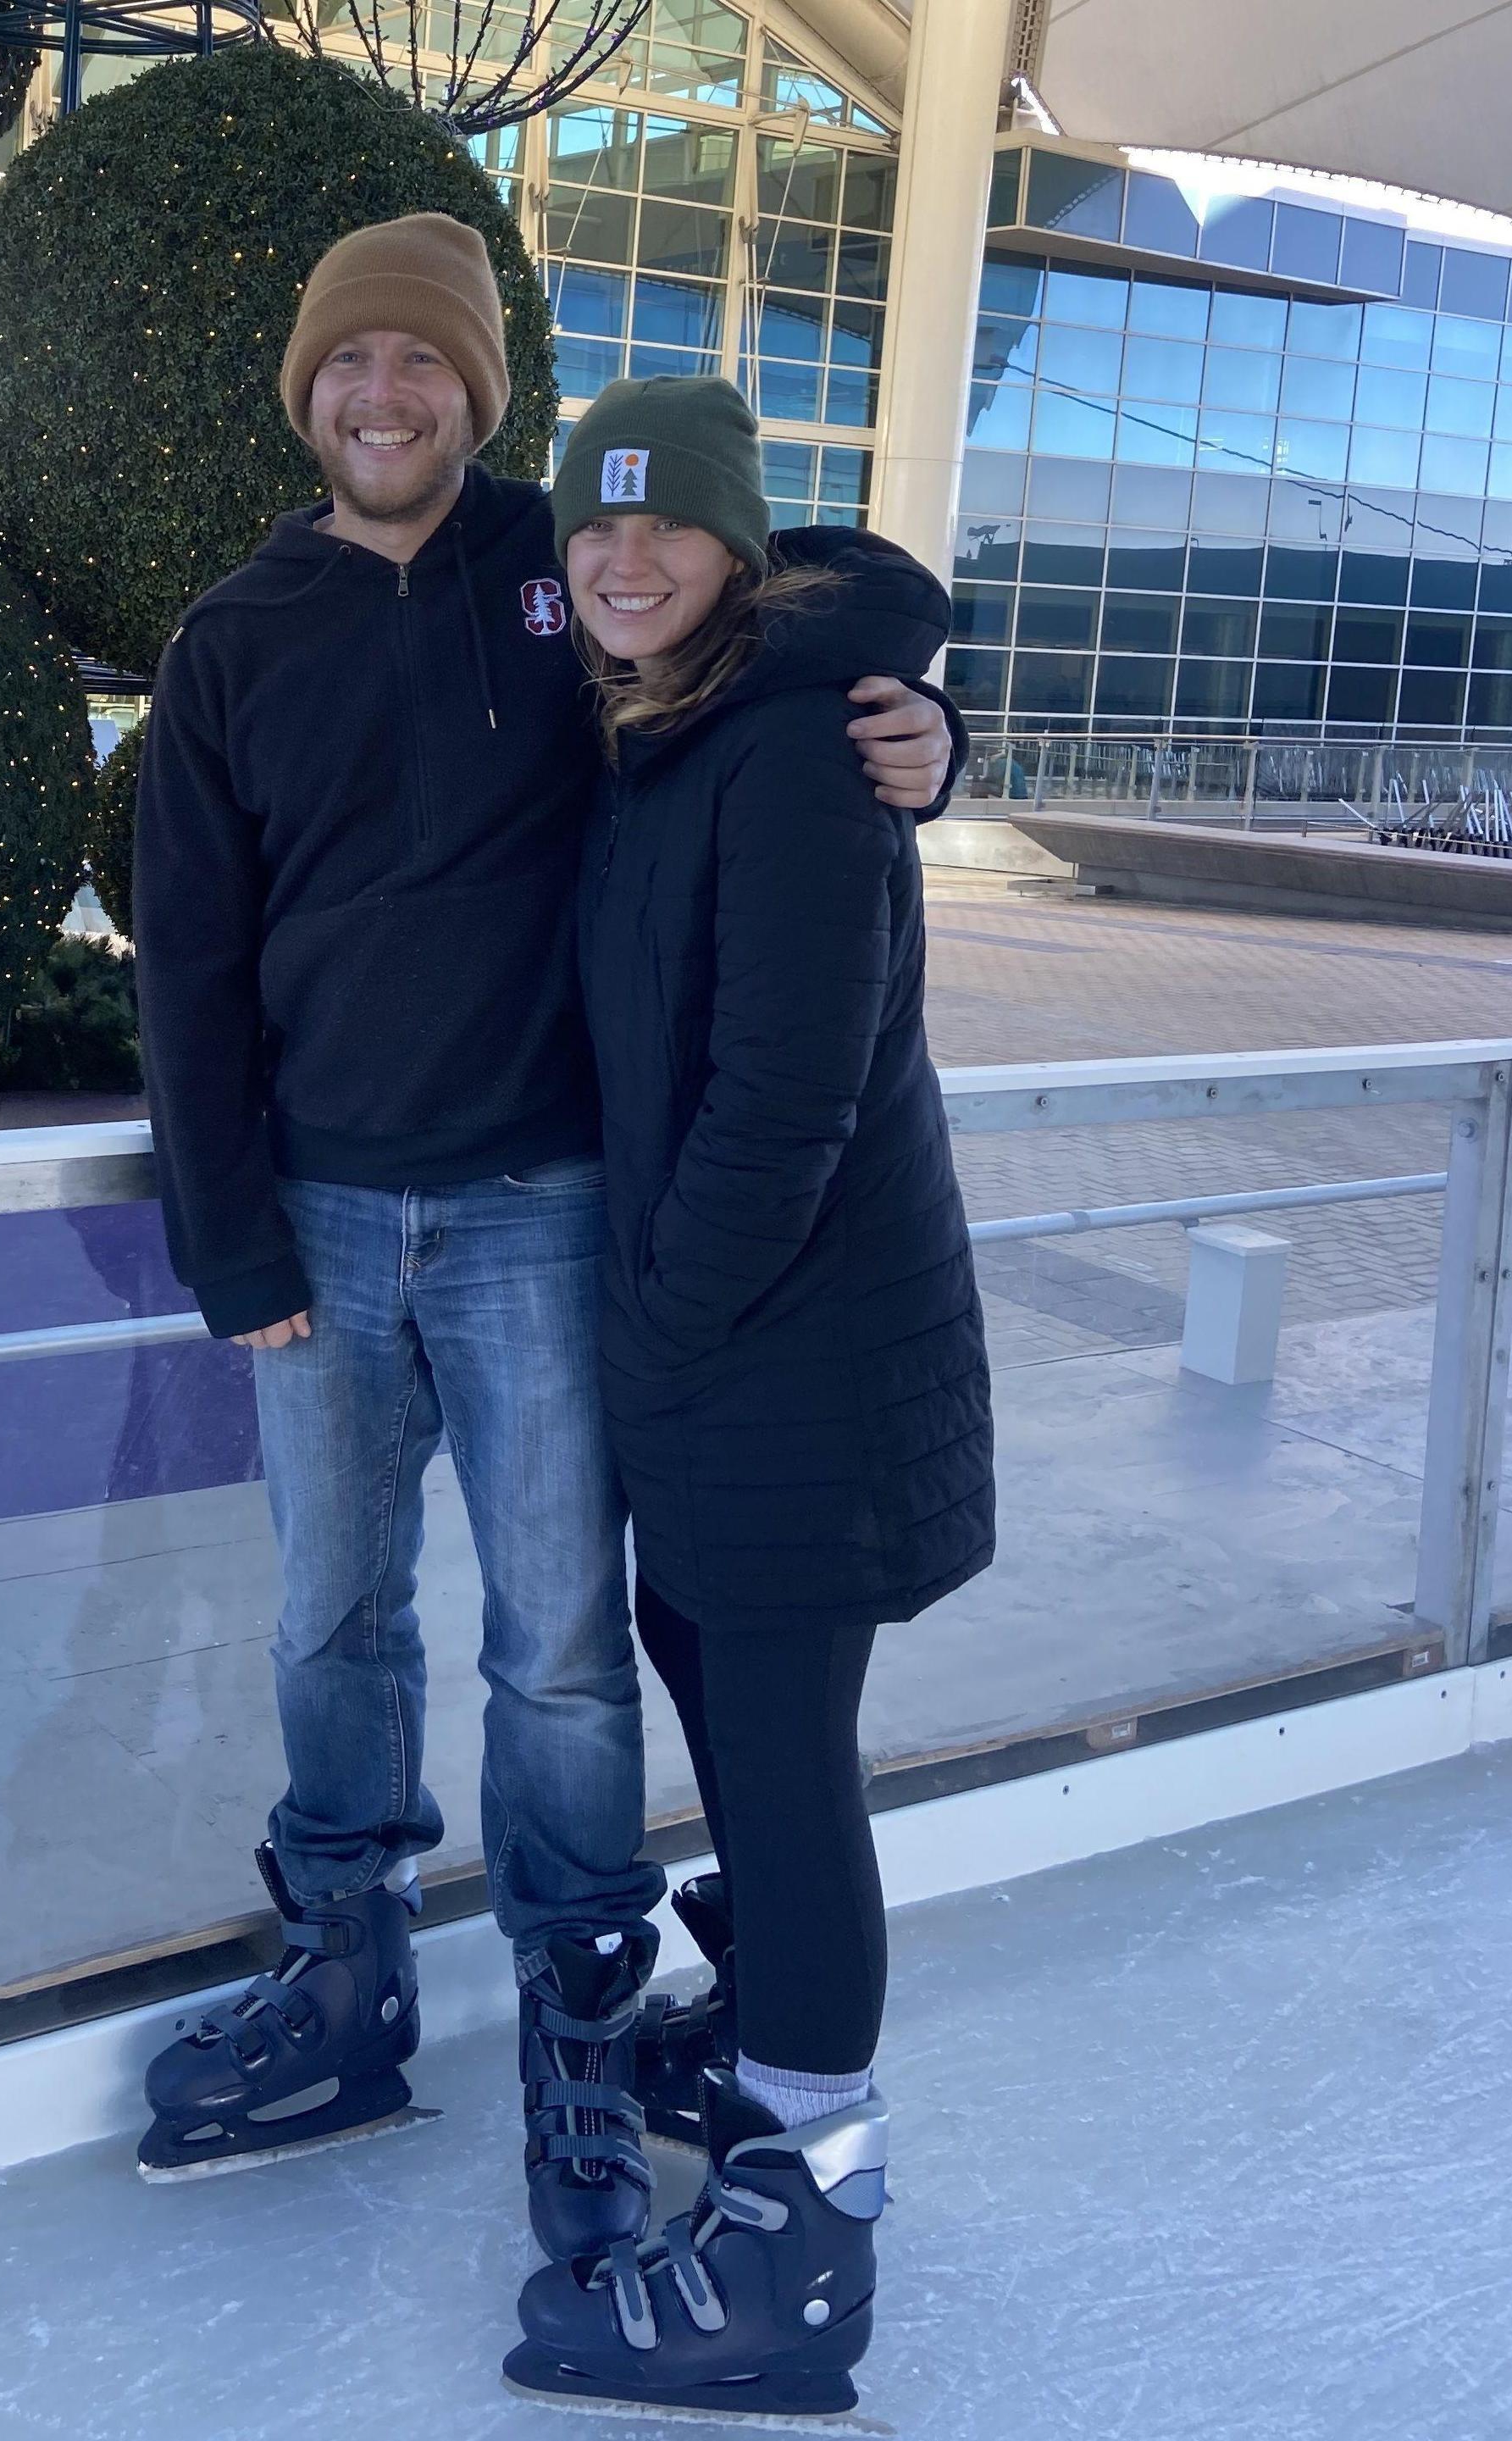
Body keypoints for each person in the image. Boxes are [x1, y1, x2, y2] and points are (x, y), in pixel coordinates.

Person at [129, 212, 961, 2277]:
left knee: (558, 1647)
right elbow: (193, 963)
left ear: (477, 397)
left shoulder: (562, 559)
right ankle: (345, 1965)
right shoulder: (234, 632)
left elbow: (793, 616)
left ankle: (577, 2017)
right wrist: (226, 1231)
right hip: (317, 1211)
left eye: (424, 368)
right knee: (329, 1615)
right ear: (306, 392)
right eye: (351, 368)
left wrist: (931, 731)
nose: (383, 399)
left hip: (540, 1210)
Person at [501, 379, 994, 2423]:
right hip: (737, 1364)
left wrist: (654, 1331)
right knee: (740, 1717)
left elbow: (788, 1092)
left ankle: (807, 2217)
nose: (623, 563)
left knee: (779, 1767)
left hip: (794, 1361)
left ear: (732, 554)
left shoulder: (787, 748)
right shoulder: (672, 730)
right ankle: (771, 2048)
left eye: (667, 532)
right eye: (592, 535)